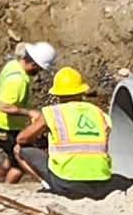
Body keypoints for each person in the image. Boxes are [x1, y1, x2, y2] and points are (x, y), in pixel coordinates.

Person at [20, 62, 113, 199]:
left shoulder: (53, 113)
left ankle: (48, 185)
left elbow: (22, 139)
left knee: (19, 149)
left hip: (67, 184)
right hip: (102, 184)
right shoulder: (98, 113)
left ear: (57, 94)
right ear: (82, 91)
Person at [0, 41, 55, 180]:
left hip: (7, 123)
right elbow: (4, 106)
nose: (39, 72)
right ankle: (8, 189)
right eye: (39, 69)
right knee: (19, 162)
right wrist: (29, 113)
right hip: (3, 126)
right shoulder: (17, 80)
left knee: (11, 155)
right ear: (34, 64)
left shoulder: (13, 65)